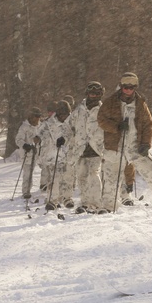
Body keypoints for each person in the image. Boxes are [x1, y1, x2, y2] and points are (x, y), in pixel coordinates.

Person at [98, 72, 152, 209]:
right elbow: (101, 120)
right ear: (121, 87)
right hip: (115, 146)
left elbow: (148, 124)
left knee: (151, 170)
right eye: (126, 87)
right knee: (111, 177)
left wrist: (145, 144)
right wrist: (117, 126)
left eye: (132, 88)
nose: (128, 91)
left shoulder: (140, 103)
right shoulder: (110, 102)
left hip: (134, 145)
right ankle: (109, 206)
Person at [69, 82, 107, 213]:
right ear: (87, 93)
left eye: (97, 93)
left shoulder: (103, 110)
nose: (94, 95)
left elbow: (110, 126)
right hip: (81, 149)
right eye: (91, 92)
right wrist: (64, 136)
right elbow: (68, 124)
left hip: (96, 148)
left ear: (101, 94)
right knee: (81, 176)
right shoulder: (79, 110)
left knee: (94, 175)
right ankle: (85, 202)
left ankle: (96, 203)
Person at [36, 100, 74, 209]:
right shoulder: (49, 123)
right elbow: (40, 133)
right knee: (54, 178)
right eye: (61, 114)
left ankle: (67, 198)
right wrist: (37, 138)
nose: (63, 116)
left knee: (68, 177)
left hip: (68, 154)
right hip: (54, 154)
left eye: (66, 114)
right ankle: (52, 200)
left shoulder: (72, 121)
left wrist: (66, 140)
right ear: (57, 113)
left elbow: (76, 134)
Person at [14, 107, 43, 201]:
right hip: (27, 153)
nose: (38, 118)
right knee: (27, 173)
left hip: (38, 153)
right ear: (31, 116)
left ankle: (46, 188)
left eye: (39, 116)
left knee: (45, 169)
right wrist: (24, 145)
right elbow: (18, 140)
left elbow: (44, 136)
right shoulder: (24, 127)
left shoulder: (40, 126)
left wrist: (40, 140)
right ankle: (26, 191)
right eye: (36, 116)